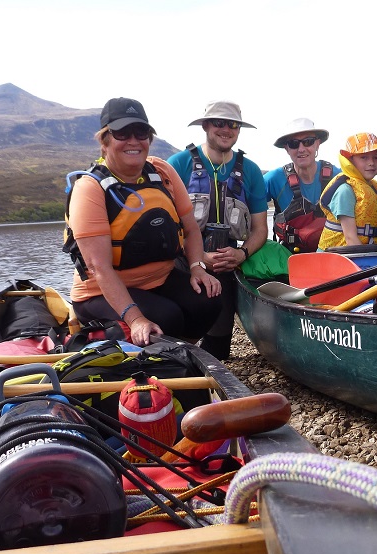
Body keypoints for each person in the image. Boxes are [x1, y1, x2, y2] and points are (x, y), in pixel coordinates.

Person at [63, 97, 222, 347]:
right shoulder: (90, 189)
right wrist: (136, 319)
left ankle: (183, 352)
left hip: (159, 279)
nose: (134, 140)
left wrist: (197, 267)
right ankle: (154, 356)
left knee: (208, 298)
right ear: (105, 141)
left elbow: (191, 229)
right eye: (122, 133)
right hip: (99, 293)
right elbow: (100, 268)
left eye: (141, 132)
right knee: (165, 318)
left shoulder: (161, 171)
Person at [167, 101, 267, 360]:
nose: (226, 129)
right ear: (205, 126)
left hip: (227, 265)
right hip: (181, 266)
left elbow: (259, 229)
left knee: (220, 351)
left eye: (232, 124)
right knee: (172, 339)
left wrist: (242, 254)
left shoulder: (252, 171)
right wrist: (197, 260)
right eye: (219, 123)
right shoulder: (177, 165)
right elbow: (163, 229)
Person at [264, 118, 336, 253]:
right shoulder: (273, 179)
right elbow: (249, 213)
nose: (301, 149)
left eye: (308, 142)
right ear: (286, 148)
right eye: (293, 144)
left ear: (317, 144)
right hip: (289, 256)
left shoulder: (338, 177)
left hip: (333, 255)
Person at [318, 133, 377, 249]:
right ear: (350, 160)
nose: (371, 162)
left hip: (359, 254)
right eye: (364, 157)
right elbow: (351, 239)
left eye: (376, 157)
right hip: (334, 260)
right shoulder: (345, 190)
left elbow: (374, 237)